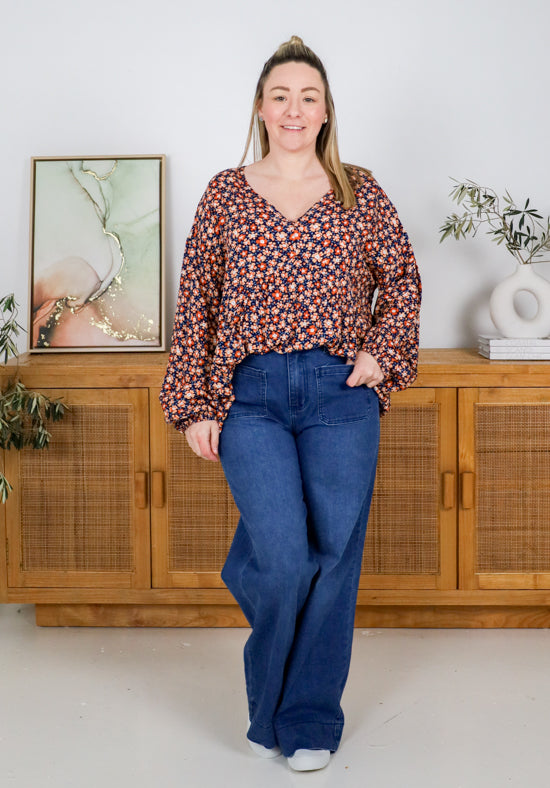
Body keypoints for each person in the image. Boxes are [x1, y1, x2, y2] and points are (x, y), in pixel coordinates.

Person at [160, 35, 421, 772]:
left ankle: (306, 720)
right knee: (280, 557)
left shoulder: (358, 191)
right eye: (281, 95)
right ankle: (268, 686)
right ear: (261, 107)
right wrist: (198, 404)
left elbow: (400, 280)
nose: (295, 109)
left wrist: (378, 355)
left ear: (327, 109)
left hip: (340, 393)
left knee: (333, 558)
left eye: (309, 96)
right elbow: (198, 307)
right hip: (253, 396)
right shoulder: (225, 193)